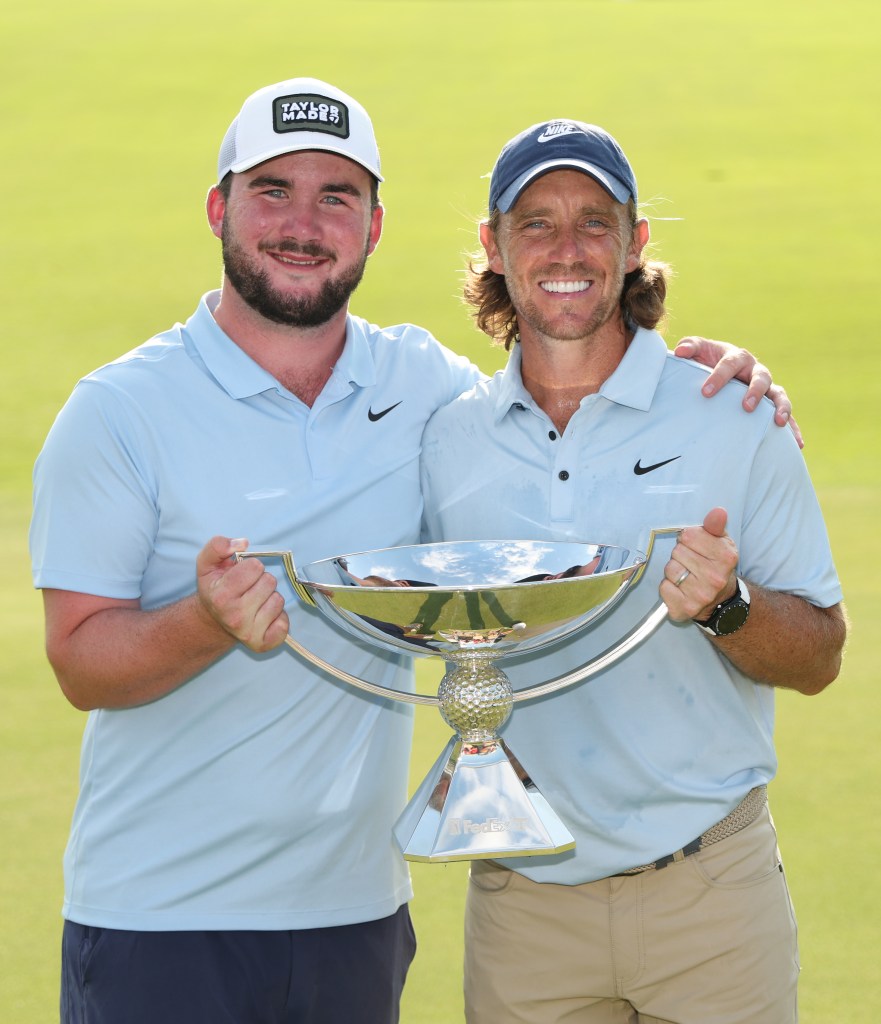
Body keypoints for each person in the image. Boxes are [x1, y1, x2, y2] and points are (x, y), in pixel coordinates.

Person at [29, 75, 798, 1024]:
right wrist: (204, 622)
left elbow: (559, 384)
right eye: (272, 190)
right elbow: (79, 662)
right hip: (162, 917)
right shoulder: (118, 411)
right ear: (219, 206)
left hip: (354, 916)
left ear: (374, 226)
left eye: (335, 197)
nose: (302, 224)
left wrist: (712, 372)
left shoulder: (427, 393)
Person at [419, 120, 848, 1024]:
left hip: (711, 897)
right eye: (534, 224)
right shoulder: (445, 437)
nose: (565, 250)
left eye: (593, 221)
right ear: (493, 247)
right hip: (522, 907)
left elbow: (818, 656)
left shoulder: (730, 416)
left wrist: (727, 607)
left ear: (634, 243)